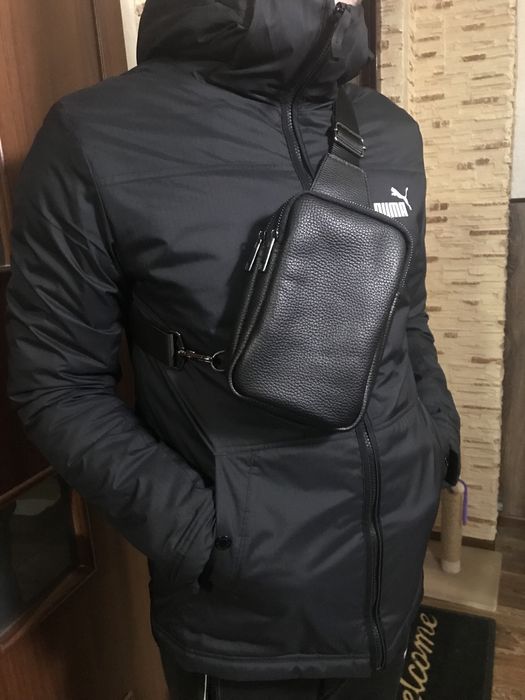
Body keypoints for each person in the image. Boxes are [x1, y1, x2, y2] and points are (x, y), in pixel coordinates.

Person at [5, 0, 461, 698]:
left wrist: (435, 441)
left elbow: (406, 317)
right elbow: (56, 384)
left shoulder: (389, 129)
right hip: (241, 622)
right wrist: (204, 534)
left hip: (389, 584)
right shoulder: (95, 135)